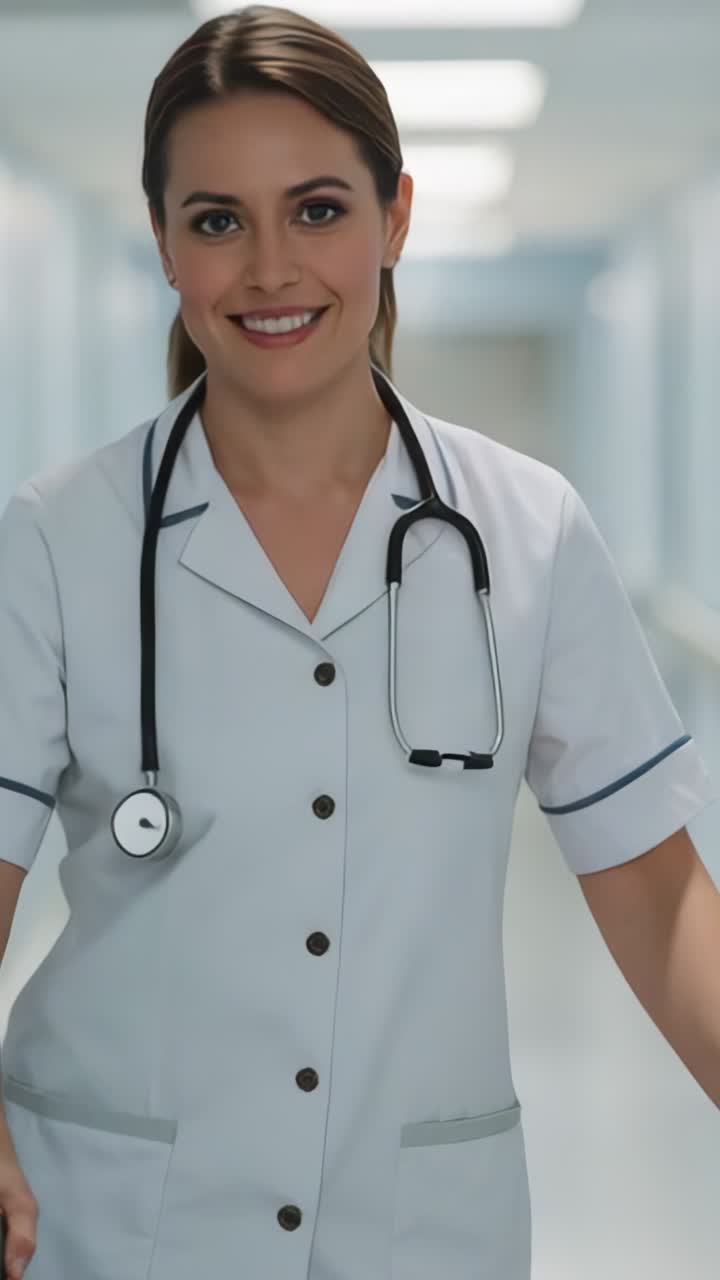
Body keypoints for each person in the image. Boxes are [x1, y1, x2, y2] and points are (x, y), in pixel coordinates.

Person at [0, 5, 717, 1279]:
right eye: (218, 220)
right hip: (109, 1220)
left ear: (395, 218)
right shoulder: (59, 538)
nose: (271, 267)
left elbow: (660, 903)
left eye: (319, 209)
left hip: (419, 1224)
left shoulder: (527, 529)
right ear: (167, 244)